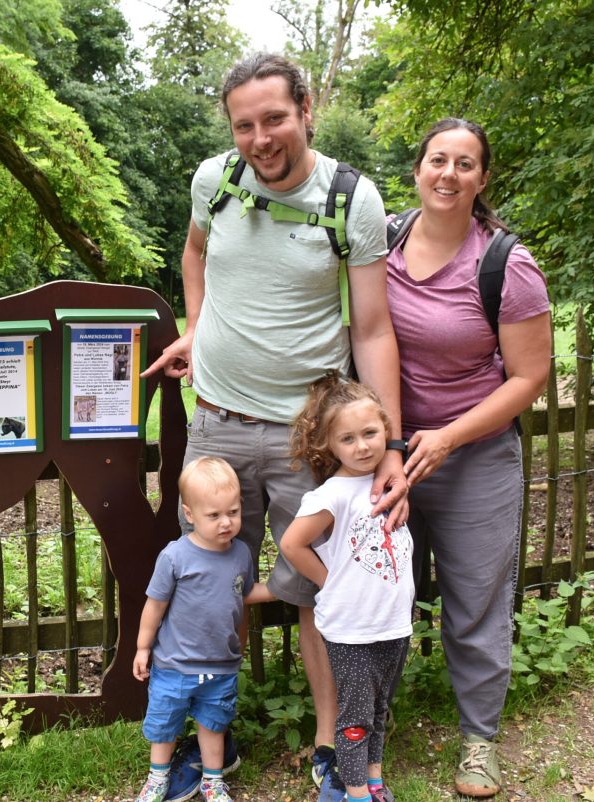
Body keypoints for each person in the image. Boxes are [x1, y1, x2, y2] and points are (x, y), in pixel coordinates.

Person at [141, 52, 408, 801]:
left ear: (306, 109)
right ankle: (202, 750)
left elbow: (375, 328)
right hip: (218, 425)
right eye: (244, 125)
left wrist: (387, 445)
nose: (260, 139)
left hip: (308, 439)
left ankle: (333, 749)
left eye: (274, 119)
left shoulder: (350, 197)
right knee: (206, 586)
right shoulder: (212, 181)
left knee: (325, 594)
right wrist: (196, 327)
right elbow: (195, 254)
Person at [387, 118, 551, 798]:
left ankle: (479, 742)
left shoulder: (506, 265)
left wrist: (448, 437)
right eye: (436, 160)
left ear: (482, 179)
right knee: (380, 589)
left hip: (473, 456)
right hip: (389, 453)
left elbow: (529, 376)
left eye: (464, 164)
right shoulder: (382, 240)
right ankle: (367, 721)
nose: (447, 174)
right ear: (418, 169)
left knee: (476, 605)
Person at [248, 374, 413, 802]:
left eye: (371, 433)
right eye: (348, 438)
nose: (362, 446)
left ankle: (373, 780)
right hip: (353, 630)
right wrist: (329, 580)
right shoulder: (334, 494)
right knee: (355, 717)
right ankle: (354, 792)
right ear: (329, 445)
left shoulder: (390, 484)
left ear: (386, 431)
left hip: (392, 625)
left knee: (377, 712)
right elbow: (291, 543)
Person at [132, 457, 256, 802]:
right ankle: (158, 777)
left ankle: (212, 781)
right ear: (189, 514)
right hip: (175, 665)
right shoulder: (175, 557)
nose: (225, 522)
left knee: (213, 724)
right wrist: (143, 648)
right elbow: (154, 606)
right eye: (213, 516)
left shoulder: (241, 553)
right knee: (164, 726)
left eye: (232, 512)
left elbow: (245, 595)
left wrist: (283, 586)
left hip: (220, 666)